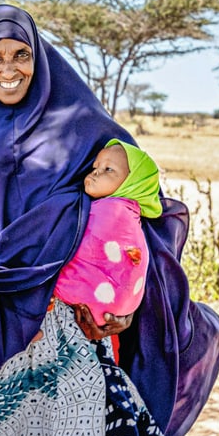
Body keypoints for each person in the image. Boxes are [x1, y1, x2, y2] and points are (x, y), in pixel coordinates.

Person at [0, 4, 219, 436]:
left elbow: (140, 207)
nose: (8, 69)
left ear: (39, 55)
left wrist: (133, 297)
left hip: (74, 333)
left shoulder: (80, 126)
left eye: (21, 53)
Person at [54, 139, 163, 328]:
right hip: (107, 315)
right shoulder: (131, 215)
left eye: (108, 170)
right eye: (95, 167)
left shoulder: (111, 212)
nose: (95, 172)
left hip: (78, 309)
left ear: (132, 184)